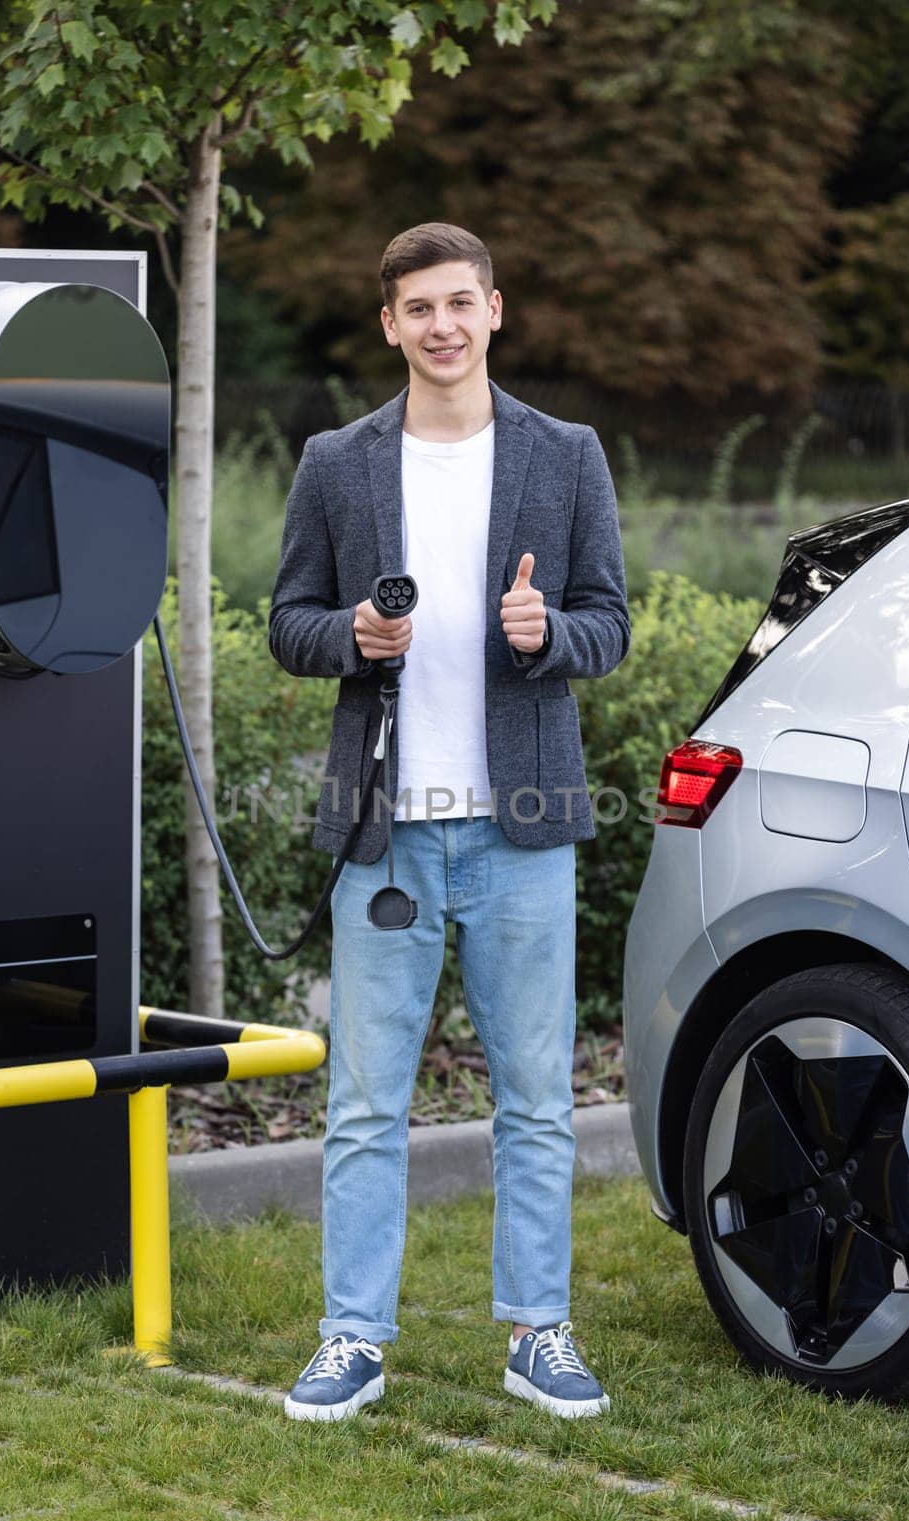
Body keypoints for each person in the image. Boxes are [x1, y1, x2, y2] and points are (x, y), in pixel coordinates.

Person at [268, 221, 630, 1422]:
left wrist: (548, 636)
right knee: (365, 1104)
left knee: (534, 1096)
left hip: (519, 829)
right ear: (388, 323)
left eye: (458, 303)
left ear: (493, 309)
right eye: (416, 306)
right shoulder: (336, 461)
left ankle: (539, 1329)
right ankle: (351, 1337)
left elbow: (607, 625)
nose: (440, 325)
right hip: (387, 830)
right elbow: (287, 622)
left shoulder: (565, 455)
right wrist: (352, 640)